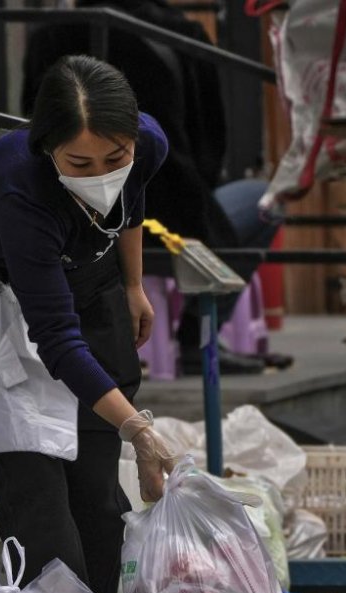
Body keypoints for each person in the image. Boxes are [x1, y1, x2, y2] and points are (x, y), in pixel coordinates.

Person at [0, 55, 176, 593]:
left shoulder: (148, 143)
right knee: (38, 495)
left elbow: (132, 196)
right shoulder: (19, 185)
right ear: (48, 147)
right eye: (80, 163)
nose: (100, 175)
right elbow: (57, 337)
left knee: (97, 495)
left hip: (92, 283)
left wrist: (133, 283)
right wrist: (141, 431)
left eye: (113, 158)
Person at [22, 0, 286, 375]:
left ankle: (194, 336)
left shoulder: (52, 36)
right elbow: (206, 144)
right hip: (167, 211)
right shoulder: (174, 37)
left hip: (82, 209)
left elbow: (30, 129)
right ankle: (200, 335)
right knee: (265, 200)